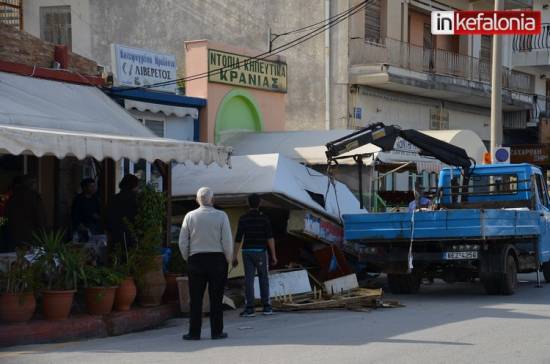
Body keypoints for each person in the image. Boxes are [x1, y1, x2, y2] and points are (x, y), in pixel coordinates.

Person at [179, 187, 233, 341]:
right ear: (213, 200)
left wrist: (188, 257)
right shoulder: (222, 216)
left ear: (197, 200)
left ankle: (194, 333)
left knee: (195, 299)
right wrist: (227, 259)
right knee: (216, 298)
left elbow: (183, 241)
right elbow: (227, 241)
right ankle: (217, 332)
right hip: (217, 260)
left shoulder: (189, 216)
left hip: (196, 259)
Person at [233, 193, 277, 317]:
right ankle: (266, 307)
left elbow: (238, 238)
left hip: (246, 252)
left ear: (248, 204)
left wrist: (234, 256)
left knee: (249, 280)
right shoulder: (264, 219)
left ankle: (250, 308)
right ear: (260, 203)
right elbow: (270, 238)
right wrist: (273, 255)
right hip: (261, 252)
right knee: (263, 278)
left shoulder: (243, 218)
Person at [4, 175, 47, 251]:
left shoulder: (11, 197)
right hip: (31, 238)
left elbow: (6, 217)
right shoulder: (34, 197)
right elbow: (40, 219)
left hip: (13, 238)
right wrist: (43, 236)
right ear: (31, 184)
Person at [105, 174, 139, 259]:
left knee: (117, 257)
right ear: (133, 185)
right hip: (130, 232)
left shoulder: (114, 198)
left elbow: (108, 216)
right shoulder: (135, 198)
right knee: (130, 258)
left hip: (115, 231)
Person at [71, 178, 102, 242]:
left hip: (94, 227)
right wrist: (79, 224)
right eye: (91, 186)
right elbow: (74, 214)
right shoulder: (78, 199)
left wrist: (98, 217)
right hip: (81, 226)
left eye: (94, 186)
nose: (94, 188)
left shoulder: (96, 199)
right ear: (84, 187)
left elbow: (100, 212)